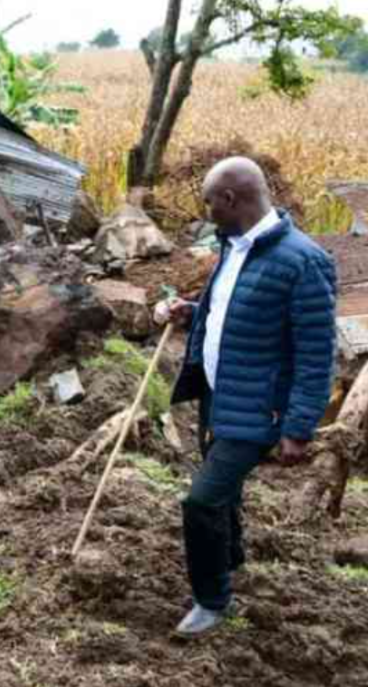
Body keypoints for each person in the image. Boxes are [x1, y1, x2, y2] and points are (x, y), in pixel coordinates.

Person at [165, 156, 337, 636]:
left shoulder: (303, 261)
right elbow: (236, 309)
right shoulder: (235, 246)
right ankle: (230, 561)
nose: (205, 212)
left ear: (230, 199)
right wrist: (191, 311)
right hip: (220, 397)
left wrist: (299, 427)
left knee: (200, 502)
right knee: (223, 498)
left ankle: (211, 600)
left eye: (208, 203)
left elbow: (317, 353)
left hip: (259, 408)